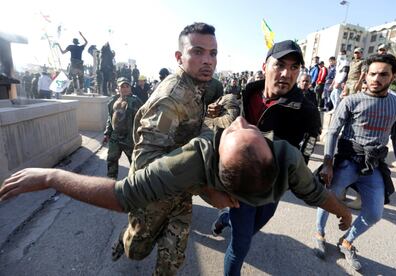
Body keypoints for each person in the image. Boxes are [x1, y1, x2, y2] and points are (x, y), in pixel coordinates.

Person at [0, 118, 353, 264]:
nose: (242, 120)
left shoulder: (284, 156)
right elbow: (123, 195)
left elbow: (316, 194)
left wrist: (343, 212)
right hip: (200, 188)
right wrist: (51, 177)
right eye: (243, 126)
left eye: (243, 130)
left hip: (233, 196)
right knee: (140, 248)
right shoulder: (196, 160)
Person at [112, 22, 239, 275]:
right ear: (179, 57)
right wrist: (204, 188)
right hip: (152, 193)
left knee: (172, 259)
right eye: (198, 51)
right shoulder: (171, 98)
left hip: (179, 191)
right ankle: (127, 236)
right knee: (136, 250)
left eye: (213, 53)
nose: (208, 60)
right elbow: (147, 163)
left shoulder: (198, 86)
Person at [212, 40, 322, 276]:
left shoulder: (306, 110)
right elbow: (222, 130)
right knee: (241, 245)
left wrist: (294, 176)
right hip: (240, 183)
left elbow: (308, 148)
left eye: (294, 67)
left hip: (273, 187)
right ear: (265, 66)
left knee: (253, 227)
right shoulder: (246, 93)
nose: (286, 73)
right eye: (280, 65)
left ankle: (225, 220)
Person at [314, 54, 396, 271]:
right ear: (365, 75)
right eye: (373, 73)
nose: (377, 78)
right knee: (327, 196)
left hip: (374, 165)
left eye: (383, 74)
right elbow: (332, 131)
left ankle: (347, 241)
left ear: (393, 76)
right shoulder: (351, 101)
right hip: (348, 160)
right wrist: (328, 163)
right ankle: (319, 233)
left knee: (375, 213)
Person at [103, 77, 143, 179]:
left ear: (130, 88)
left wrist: (141, 137)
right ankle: (110, 181)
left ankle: (136, 184)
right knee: (111, 159)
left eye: (127, 86)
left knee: (134, 162)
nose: (125, 89)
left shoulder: (136, 101)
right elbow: (110, 117)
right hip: (115, 137)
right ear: (118, 88)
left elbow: (143, 118)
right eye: (122, 86)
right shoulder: (112, 101)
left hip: (129, 138)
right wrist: (107, 132)